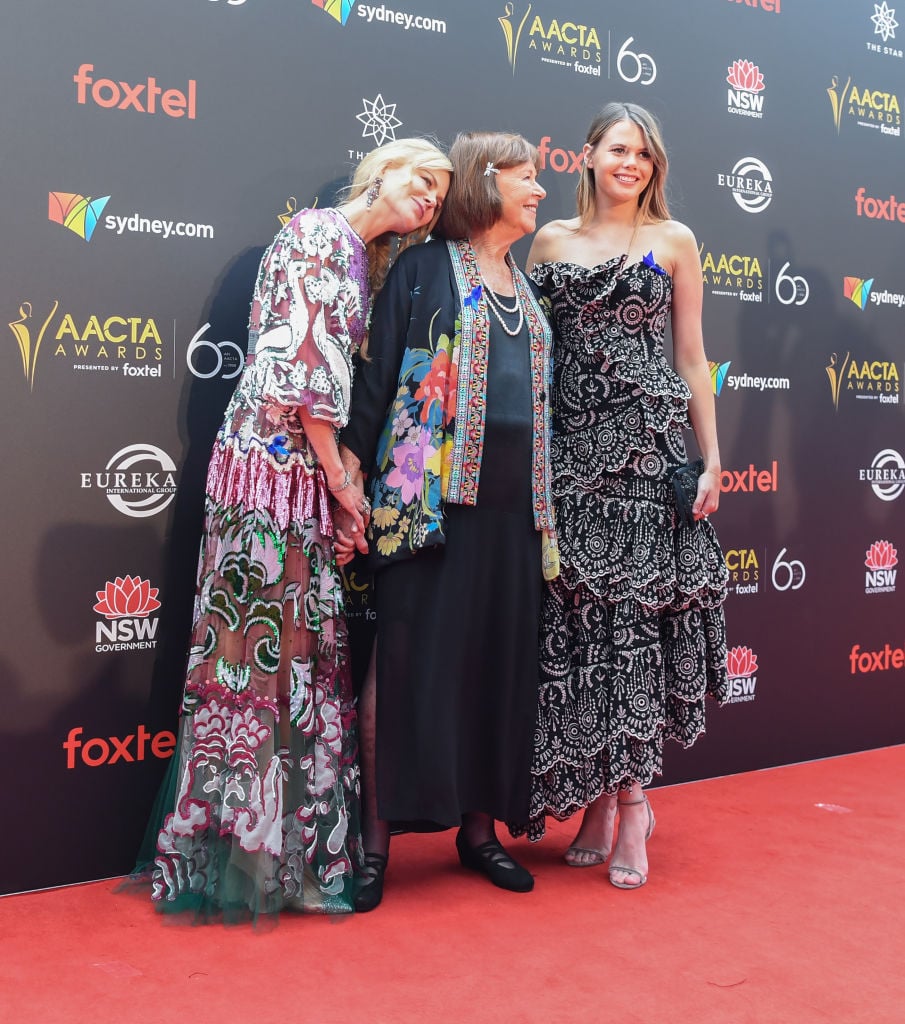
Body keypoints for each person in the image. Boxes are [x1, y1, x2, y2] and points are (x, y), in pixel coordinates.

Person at [147, 139, 451, 918]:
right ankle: (247, 866)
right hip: (272, 472)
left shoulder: (356, 254)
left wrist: (335, 480)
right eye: (423, 178)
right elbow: (305, 377)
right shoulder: (320, 234)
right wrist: (343, 482)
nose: (429, 198)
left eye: (442, 194)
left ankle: (272, 862)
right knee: (258, 660)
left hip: (290, 470)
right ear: (382, 170)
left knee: (286, 660)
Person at [337, 132, 553, 911]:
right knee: (400, 673)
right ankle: (373, 846)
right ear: (484, 184)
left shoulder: (523, 286)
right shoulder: (425, 268)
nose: (538, 190)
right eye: (526, 178)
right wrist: (350, 480)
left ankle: (479, 832)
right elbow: (376, 375)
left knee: (493, 672)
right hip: (425, 510)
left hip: (514, 518)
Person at [517, 102, 729, 889]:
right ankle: (595, 797)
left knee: (634, 629)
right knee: (579, 627)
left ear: (654, 166)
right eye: (616, 149)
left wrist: (710, 459)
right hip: (568, 461)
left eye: (642, 153)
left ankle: (633, 803)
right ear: (587, 156)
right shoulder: (549, 242)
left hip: (646, 462)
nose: (629, 163)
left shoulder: (673, 241)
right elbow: (532, 357)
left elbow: (691, 356)